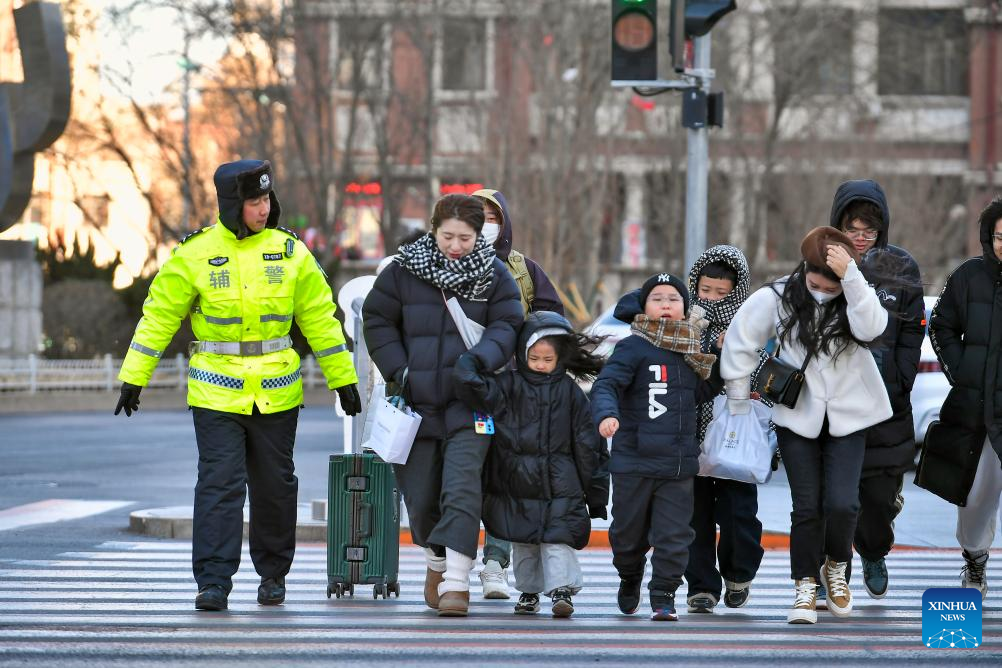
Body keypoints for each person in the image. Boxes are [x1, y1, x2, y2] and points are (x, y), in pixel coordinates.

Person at [114, 159, 362, 611]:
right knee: (219, 485)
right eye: (254, 201)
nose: (264, 208)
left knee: (275, 486)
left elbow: (320, 320)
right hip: (215, 393)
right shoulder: (195, 253)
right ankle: (213, 581)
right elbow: (160, 317)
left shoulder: (291, 253)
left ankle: (272, 575)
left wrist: (343, 378)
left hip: (277, 392)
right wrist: (134, 377)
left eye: (267, 198)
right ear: (232, 205)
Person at [362, 193, 523, 617]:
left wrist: (479, 360)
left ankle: (456, 580)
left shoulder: (494, 275)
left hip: (472, 404)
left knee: (462, 486)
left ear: (479, 235)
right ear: (433, 230)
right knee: (421, 494)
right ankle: (436, 558)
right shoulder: (402, 271)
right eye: (448, 236)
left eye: (465, 238)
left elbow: (508, 325)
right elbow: (376, 320)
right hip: (415, 404)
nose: (456, 246)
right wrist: (400, 369)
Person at [721, 227, 892, 624]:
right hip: (797, 414)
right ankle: (804, 584)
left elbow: (872, 328)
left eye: (830, 287)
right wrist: (738, 396)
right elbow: (742, 341)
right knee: (807, 506)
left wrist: (852, 277)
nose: (822, 292)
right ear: (804, 270)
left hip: (850, 415)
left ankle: (835, 566)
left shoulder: (856, 295)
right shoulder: (778, 296)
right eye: (816, 284)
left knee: (843, 503)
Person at [453, 311, 609, 618]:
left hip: (560, 483)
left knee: (557, 539)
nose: (540, 364)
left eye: (547, 359)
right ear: (522, 354)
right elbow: (476, 391)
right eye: (533, 357)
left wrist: (597, 492)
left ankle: (561, 590)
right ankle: (529, 591)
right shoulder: (508, 386)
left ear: (560, 357)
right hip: (517, 481)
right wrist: (469, 364)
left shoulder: (570, 392)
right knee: (523, 541)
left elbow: (589, 445)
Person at [590, 273, 722, 622]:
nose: (666, 304)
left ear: (684, 308)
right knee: (626, 535)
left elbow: (700, 394)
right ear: (644, 307)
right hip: (633, 462)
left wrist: (721, 361)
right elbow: (607, 386)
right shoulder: (632, 347)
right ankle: (629, 575)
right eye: (658, 298)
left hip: (677, 465)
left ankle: (664, 594)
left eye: (673, 299)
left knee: (675, 536)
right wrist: (606, 415)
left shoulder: (690, 348)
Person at [825, 180, 924, 600]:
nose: (861, 239)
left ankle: (873, 550)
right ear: (839, 227)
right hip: (837, 404)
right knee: (838, 500)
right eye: (853, 229)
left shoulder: (901, 267)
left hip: (887, 405)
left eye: (869, 230)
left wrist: (900, 384)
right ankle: (835, 568)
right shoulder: (820, 261)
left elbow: (912, 333)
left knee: (878, 502)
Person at [471, 188, 565, 598]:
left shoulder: (524, 269)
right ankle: (445, 564)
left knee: (505, 476)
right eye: (478, 215)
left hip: (513, 391)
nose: (486, 224)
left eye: (493, 216)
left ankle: (494, 564)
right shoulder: (445, 265)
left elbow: (552, 321)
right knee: (464, 476)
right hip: (464, 387)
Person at [683, 246, 766, 614]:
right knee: (694, 517)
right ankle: (701, 586)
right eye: (705, 290)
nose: (713, 299)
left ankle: (738, 575)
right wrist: (704, 344)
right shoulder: (684, 323)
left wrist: (735, 348)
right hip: (691, 436)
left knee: (738, 514)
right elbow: (675, 365)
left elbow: (767, 371)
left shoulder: (752, 323)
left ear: (737, 291)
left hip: (736, 437)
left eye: (722, 292)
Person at [929, 196, 1002, 601]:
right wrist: (964, 374)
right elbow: (940, 325)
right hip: (978, 412)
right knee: (976, 496)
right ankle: (975, 560)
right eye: (999, 236)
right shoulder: (968, 277)